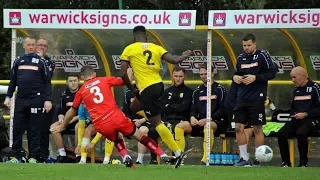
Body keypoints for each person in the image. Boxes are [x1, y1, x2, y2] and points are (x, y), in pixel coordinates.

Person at [51, 65, 175, 168]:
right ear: (94, 74)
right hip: (115, 116)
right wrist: (130, 72)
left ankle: (125, 156)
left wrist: (63, 126)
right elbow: (123, 81)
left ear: (82, 78)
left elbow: (72, 111)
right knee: (140, 136)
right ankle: (163, 155)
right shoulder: (104, 80)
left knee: (116, 139)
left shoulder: (81, 91)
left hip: (101, 124)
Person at [120, 25, 193, 167]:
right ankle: (138, 121)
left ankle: (178, 152)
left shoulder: (129, 49)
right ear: (146, 37)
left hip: (146, 89)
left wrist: (132, 89)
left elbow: (123, 74)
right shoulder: (155, 47)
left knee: (157, 123)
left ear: (134, 37)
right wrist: (186, 54)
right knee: (133, 106)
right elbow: (174, 60)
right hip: (158, 86)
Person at [4, 36, 52, 163]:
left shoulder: (41, 62)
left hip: (36, 99)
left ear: (35, 46)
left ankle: (33, 157)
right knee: (17, 128)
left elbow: (47, 82)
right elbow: (13, 81)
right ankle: (15, 156)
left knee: (34, 129)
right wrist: (8, 96)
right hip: (20, 99)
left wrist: (47, 99)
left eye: (33, 44)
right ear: (24, 46)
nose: (31, 47)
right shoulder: (18, 61)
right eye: (28, 45)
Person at [232, 33, 277, 166]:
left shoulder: (262, 55)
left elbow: (272, 73)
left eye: (248, 45)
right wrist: (234, 78)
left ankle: (259, 159)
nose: (246, 48)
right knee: (238, 127)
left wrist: (256, 77)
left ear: (254, 44)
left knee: (257, 128)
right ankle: (244, 159)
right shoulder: (240, 57)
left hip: (257, 97)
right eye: (244, 46)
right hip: (241, 97)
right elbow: (237, 73)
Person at [174, 63, 227, 164]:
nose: (203, 76)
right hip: (200, 121)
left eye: (205, 74)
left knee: (207, 126)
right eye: (201, 74)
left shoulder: (220, 89)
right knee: (179, 127)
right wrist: (192, 117)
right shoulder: (197, 91)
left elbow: (223, 109)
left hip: (216, 121)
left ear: (212, 73)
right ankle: (179, 158)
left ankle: (205, 159)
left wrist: (209, 118)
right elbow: (193, 109)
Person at [277, 66, 320, 167]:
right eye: (291, 77)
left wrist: (305, 114)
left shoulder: (315, 87)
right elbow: (294, 107)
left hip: (312, 120)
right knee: (281, 133)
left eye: (294, 77)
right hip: (297, 119)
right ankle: (286, 163)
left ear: (303, 76)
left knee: (301, 133)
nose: (292, 80)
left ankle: (302, 163)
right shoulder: (296, 89)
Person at [123, 68, 152, 164]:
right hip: (131, 122)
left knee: (143, 130)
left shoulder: (149, 91)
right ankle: (124, 158)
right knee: (116, 131)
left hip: (145, 121)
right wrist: (130, 121)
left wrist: (142, 120)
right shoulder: (128, 92)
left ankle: (139, 160)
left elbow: (153, 111)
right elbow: (125, 111)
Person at [50, 73, 80, 163]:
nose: (73, 83)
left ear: (78, 81)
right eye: (70, 81)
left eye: (75, 81)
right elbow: (61, 111)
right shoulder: (64, 95)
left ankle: (78, 155)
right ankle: (62, 155)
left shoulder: (83, 93)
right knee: (53, 128)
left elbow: (87, 112)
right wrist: (61, 119)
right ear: (67, 82)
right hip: (67, 121)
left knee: (78, 128)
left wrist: (72, 119)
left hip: (80, 120)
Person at [36, 38, 56, 163]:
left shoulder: (50, 62)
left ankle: (43, 156)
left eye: (45, 46)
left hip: (44, 99)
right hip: (31, 98)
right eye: (40, 45)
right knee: (31, 129)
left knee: (43, 129)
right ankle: (32, 155)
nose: (42, 47)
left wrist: (41, 59)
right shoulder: (27, 59)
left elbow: (47, 76)